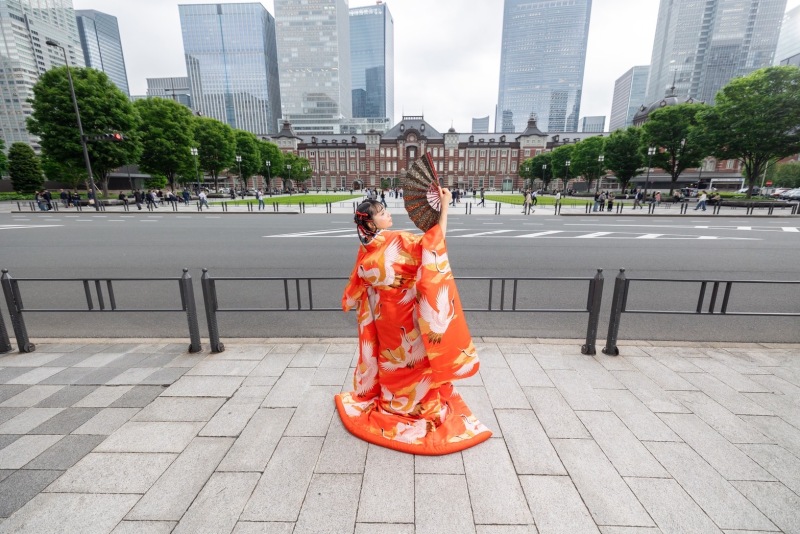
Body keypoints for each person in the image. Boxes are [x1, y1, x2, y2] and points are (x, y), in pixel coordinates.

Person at [337, 189, 491, 455]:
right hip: (407, 316)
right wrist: (444, 206)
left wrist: (355, 300)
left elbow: (357, 282)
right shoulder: (397, 239)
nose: (389, 215)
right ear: (372, 222)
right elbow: (434, 242)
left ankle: (392, 402)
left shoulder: (367, 245)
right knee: (415, 361)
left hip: (384, 316)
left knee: (393, 360)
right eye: (383, 213)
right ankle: (420, 406)